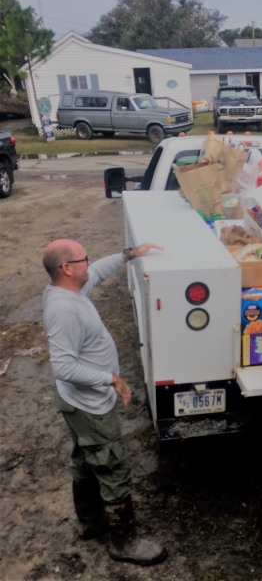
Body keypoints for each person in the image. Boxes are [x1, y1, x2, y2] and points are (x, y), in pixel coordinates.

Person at [42, 238, 167, 566]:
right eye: (84, 258)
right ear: (67, 268)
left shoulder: (70, 289)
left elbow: (96, 271)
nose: (90, 262)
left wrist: (129, 255)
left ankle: (91, 523)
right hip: (89, 406)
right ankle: (123, 541)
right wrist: (111, 378)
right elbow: (64, 367)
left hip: (78, 402)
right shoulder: (64, 309)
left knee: (86, 457)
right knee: (112, 465)